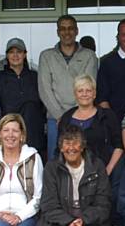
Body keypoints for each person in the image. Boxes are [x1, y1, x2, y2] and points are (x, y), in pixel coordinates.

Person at [58, 75, 125, 226]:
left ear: (95, 94)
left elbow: (118, 145)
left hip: (104, 169)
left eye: (88, 90)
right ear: (75, 94)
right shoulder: (66, 118)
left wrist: (107, 170)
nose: (85, 94)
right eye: (80, 90)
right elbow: (59, 149)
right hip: (74, 172)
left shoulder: (107, 115)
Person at [38, 15, 99, 159]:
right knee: (56, 159)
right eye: (63, 29)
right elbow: (44, 89)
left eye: (71, 28)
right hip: (55, 119)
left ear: (77, 31)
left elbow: (87, 88)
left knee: (84, 157)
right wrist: (61, 116)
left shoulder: (89, 56)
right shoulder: (46, 56)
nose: (67, 32)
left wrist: (75, 114)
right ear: (58, 32)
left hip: (82, 116)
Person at [0, 37, 46, 159]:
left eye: (19, 52)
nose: (15, 55)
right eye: (11, 52)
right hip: (10, 137)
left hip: (34, 134)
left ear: (25, 54)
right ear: (7, 55)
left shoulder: (36, 77)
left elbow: (43, 104)